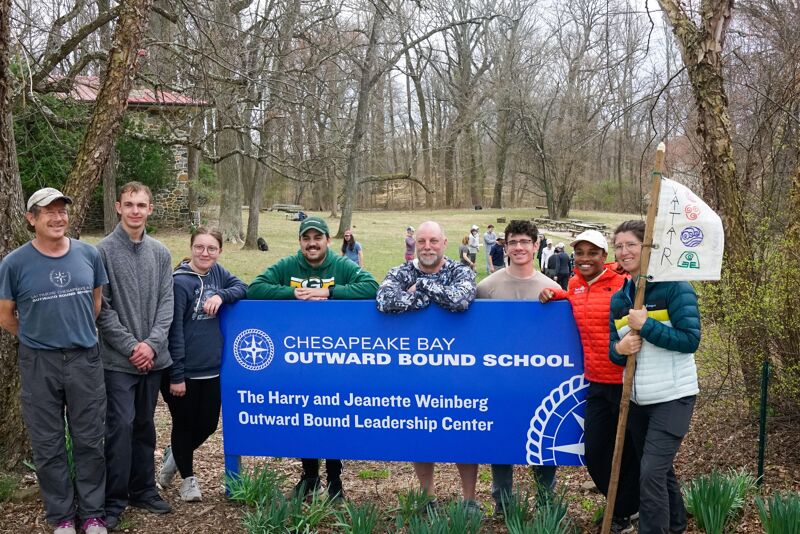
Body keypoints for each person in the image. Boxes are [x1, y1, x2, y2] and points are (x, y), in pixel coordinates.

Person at [0, 188, 109, 534]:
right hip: (39, 363)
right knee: (47, 443)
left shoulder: (89, 255)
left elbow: (95, 304)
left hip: (84, 359)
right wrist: (39, 339)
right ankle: (61, 516)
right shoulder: (14, 263)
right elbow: (6, 316)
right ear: (31, 218)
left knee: (90, 439)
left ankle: (92, 514)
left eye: (62, 211)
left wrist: (73, 333)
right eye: (49, 212)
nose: (58, 217)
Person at [247, 216, 379, 501]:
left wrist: (329, 292)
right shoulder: (288, 266)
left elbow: (371, 286)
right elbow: (255, 287)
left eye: (317, 238)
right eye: (306, 239)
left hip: (335, 356)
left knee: (333, 418)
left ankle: (334, 479)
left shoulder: (341, 265)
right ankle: (309, 476)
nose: (311, 243)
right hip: (297, 357)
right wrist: (291, 293)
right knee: (303, 417)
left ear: (327, 241)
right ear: (300, 242)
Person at [539, 230, 638, 533]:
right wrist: (553, 294)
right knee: (595, 453)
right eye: (579, 253)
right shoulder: (574, 284)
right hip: (595, 382)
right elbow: (574, 299)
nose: (584, 259)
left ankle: (630, 512)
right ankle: (623, 507)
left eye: (592, 253)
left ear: (604, 257)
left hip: (627, 382)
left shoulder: (623, 285)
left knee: (633, 453)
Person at [376, 221, 478, 511]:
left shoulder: (460, 270)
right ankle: (428, 497)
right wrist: (433, 297)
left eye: (433, 241)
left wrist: (419, 287)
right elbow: (384, 299)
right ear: (414, 244)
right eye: (422, 241)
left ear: (445, 243)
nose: (427, 247)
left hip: (459, 367)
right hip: (416, 368)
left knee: (463, 431)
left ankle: (470, 500)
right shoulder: (401, 270)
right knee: (420, 429)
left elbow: (461, 299)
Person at [609, 220, 700, 534]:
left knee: (649, 474)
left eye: (631, 244)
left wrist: (647, 326)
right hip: (637, 400)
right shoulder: (620, 299)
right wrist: (620, 347)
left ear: (648, 246)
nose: (624, 251)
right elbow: (614, 351)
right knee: (660, 473)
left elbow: (690, 340)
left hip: (673, 397)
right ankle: (675, 527)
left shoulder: (676, 286)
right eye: (619, 246)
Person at [96, 182, 174, 529]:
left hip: (153, 360)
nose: (135, 211)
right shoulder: (101, 252)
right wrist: (131, 347)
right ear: (118, 207)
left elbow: (166, 305)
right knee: (120, 427)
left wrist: (151, 345)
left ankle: (143, 489)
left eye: (142, 205)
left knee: (145, 426)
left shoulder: (161, 253)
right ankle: (114, 500)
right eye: (129, 204)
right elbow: (102, 310)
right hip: (117, 362)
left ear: (150, 209)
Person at [475, 220, 560, 516]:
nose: (519, 247)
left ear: (536, 246)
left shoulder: (552, 288)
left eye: (525, 242)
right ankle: (502, 503)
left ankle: (546, 500)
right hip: (498, 381)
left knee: (544, 440)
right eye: (513, 242)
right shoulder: (486, 287)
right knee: (501, 439)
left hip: (540, 381)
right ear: (505, 246)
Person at [158, 227, 247, 502]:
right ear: (191, 248)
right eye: (200, 247)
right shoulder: (179, 282)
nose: (205, 253)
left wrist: (221, 296)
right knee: (183, 424)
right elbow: (174, 331)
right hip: (182, 371)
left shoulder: (217, 273)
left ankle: (174, 456)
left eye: (211, 248)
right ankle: (188, 480)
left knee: (208, 424)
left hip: (212, 369)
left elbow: (243, 287)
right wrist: (177, 374)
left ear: (219, 251)